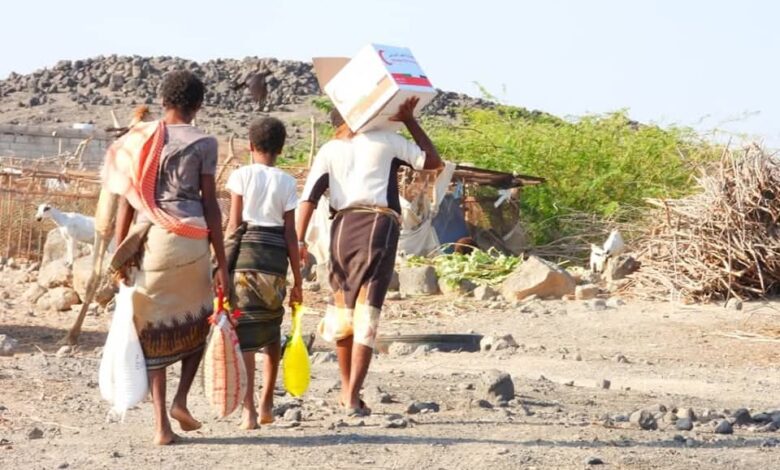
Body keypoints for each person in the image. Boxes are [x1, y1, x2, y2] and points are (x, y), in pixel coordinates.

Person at [296, 97, 443, 416]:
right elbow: (433, 162)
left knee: (343, 313)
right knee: (367, 312)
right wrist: (409, 120)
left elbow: (307, 200)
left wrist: (297, 241)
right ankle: (351, 396)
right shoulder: (387, 141)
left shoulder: (329, 150)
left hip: (341, 231)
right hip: (378, 226)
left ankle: (347, 393)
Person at [104, 70, 228, 445]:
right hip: (191, 243)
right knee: (201, 320)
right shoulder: (205, 142)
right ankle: (181, 400)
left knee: (153, 331)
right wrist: (221, 260)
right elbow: (210, 205)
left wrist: (119, 251)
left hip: (153, 243)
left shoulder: (136, 140)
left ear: (162, 101)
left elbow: (126, 199)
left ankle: (161, 426)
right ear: (198, 105)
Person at [224, 117, 302, 429]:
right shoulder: (286, 182)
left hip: (245, 258)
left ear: (250, 146)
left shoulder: (241, 175)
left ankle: (248, 413)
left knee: (244, 338)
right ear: (281, 149)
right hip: (275, 263)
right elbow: (291, 234)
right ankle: (267, 403)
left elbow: (233, 225)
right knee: (271, 332)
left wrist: (222, 268)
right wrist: (297, 280)